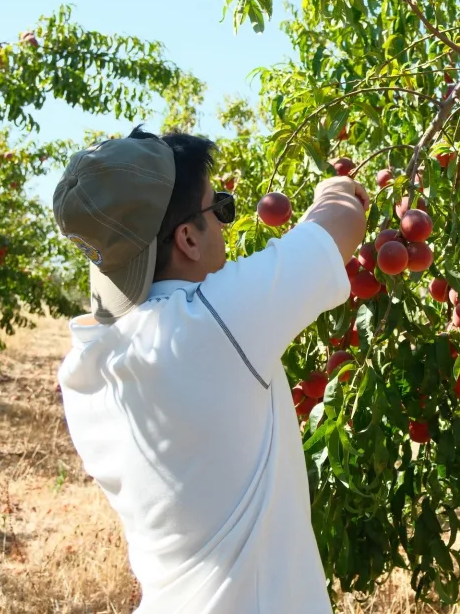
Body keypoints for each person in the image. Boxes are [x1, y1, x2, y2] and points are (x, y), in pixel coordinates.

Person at [52, 126, 368, 612]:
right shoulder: (212, 326)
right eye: (219, 209)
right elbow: (342, 223)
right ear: (187, 239)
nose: (225, 225)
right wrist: (336, 188)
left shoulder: (84, 369)